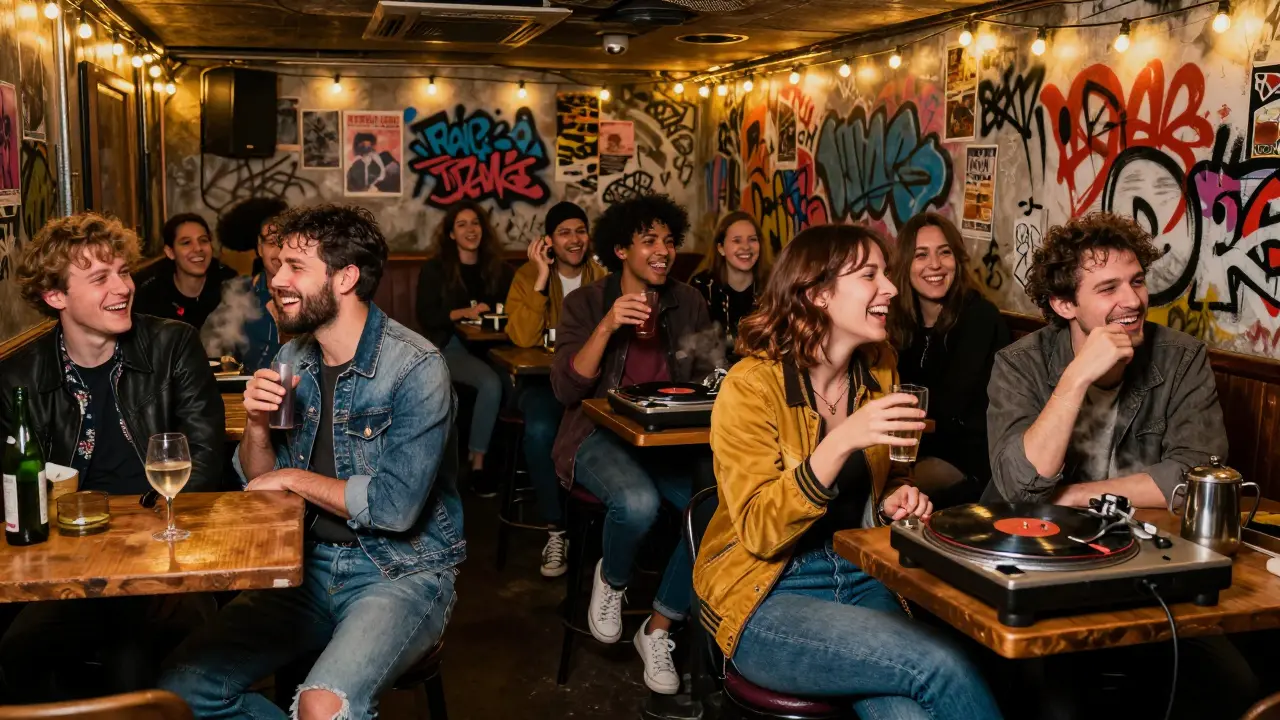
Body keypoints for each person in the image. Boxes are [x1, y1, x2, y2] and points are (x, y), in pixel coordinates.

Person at [159, 204, 463, 720]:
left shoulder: (417, 367)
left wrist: (293, 477)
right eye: (278, 265)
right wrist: (256, 424)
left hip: (400, 574)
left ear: (345, 277)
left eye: (295, 267)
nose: (276, 279)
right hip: (307, 566)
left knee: (322, 707)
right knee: (180, 691)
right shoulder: (290, 358)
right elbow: (260, 480)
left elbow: (394, 509)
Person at [693, 224, 1003, 718]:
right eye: (869, 275)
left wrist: (895, 497)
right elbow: (758, 531)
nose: (892, 288)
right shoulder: (751, 387)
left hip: (861, 575)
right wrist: (840, 441)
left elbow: (887, 480)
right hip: (768, 596)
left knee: (907, 711)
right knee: (941, 663)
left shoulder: (879, 368)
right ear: (817, 294)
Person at [985, 213, 1259, 719]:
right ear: (1065, 304)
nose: (1132, 301)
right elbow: (1021, 484)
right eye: (1108, 288)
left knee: (1232, 684)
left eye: (1136, 281)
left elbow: (1199, 470)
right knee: (1058, 701)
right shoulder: (1019, 364)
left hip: (1143, 565)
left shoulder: (1179, 358)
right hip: (1041, 568)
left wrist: (1078, 496)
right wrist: (1074, 380)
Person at [0, 212, 225, 702]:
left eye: (123, 272)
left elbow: (206, 460)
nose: (122, 287)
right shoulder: (18, 377)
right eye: (100, 277)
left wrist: (158, 547)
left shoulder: (172, 345)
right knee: (17, 652)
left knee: (134, 655)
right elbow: (14, 491)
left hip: (166, 556)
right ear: (55, 296)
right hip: (69, 567)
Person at [551, 194, 715, 695]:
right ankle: (613, 579)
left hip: (670, 441)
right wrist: (607, 325)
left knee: (714, 510)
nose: (663, 250)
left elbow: (709, 374)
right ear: (621, 249)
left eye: (669, 240)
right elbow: (565, 390)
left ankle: (659, 627)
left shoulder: (687, 301)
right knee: (638, 503)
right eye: (650, 241)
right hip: (597, 434)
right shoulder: (586, 303)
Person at [505, 201, 607, 577]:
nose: (574, 239)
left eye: (580, 230)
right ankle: (556, 529)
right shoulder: (527, 278)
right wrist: (540, 277)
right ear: (548, 241)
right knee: (543, 430)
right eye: (564, 232)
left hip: (592, 387)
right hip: (541, 384)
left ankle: (599, 530)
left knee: (605, 433)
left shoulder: (604, 278)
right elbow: (521, 336)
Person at [888, 212, 1009, 506]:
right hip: (911, 450)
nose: (935, 264)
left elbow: (953, 411)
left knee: (884, 489)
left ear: (957, 260)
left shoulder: (980, 318)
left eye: (945, 253)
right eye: (921, 255)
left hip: (969, 459)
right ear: (905, 265)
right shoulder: (897, 321)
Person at [416, 201, 515, 497]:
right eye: (462, 224)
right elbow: (426, 315)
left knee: (516, 386)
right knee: (490, 384)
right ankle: (478, 464)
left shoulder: (499, 269)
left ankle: (509, 464)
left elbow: (513, 312)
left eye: (475, 223)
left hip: (493, 347)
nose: (471, 230)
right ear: (450, 234)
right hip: (451, 346)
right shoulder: (436, 269)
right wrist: (462, 313)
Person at [216, 198, 290, 371]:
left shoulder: (313, 294)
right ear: (259, 247)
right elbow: (220, 359)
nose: (280, 253)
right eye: (272, 243)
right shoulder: (238, 294)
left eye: (286, 242)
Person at [134, 213, 238, 330]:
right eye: (186, 243)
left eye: (203, 240)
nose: (198, 248)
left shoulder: (230, 283)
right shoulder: (150, 294)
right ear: (170, 252)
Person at [689, 211, 770, 361]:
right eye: (737, 241)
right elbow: (693, 346)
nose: (746, 247)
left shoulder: (773, 284)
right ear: (720, 248)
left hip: (762, 373)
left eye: (752, 240)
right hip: (713, 374)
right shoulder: (702, 286)